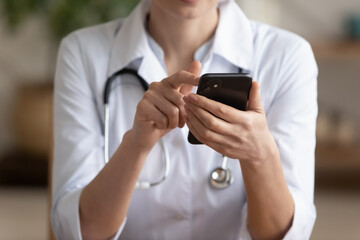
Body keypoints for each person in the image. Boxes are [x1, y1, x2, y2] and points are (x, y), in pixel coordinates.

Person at [51, 0, 318, 239]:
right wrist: (135, 144)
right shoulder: (82, 53)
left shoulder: (288, 57)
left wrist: (260, 157)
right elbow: (79, 232)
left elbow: (285, 234)